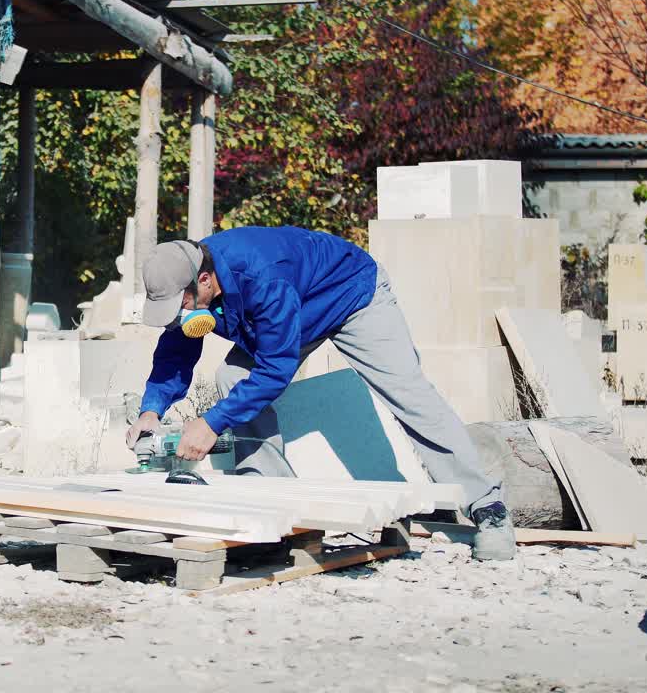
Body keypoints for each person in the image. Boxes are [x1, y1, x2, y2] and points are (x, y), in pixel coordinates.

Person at [124, 227, 516, 561]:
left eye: (181, 304)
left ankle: (487, 506)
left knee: (408, 392)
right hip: (289, 316)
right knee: (232, 376)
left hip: (350, 295)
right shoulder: (190, 283)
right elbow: (175, 352)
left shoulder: (263, 275)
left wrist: (211, 423)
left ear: (205, 280)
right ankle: (274, 509)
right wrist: (151, 411)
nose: (179, 314)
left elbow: (274, 370)